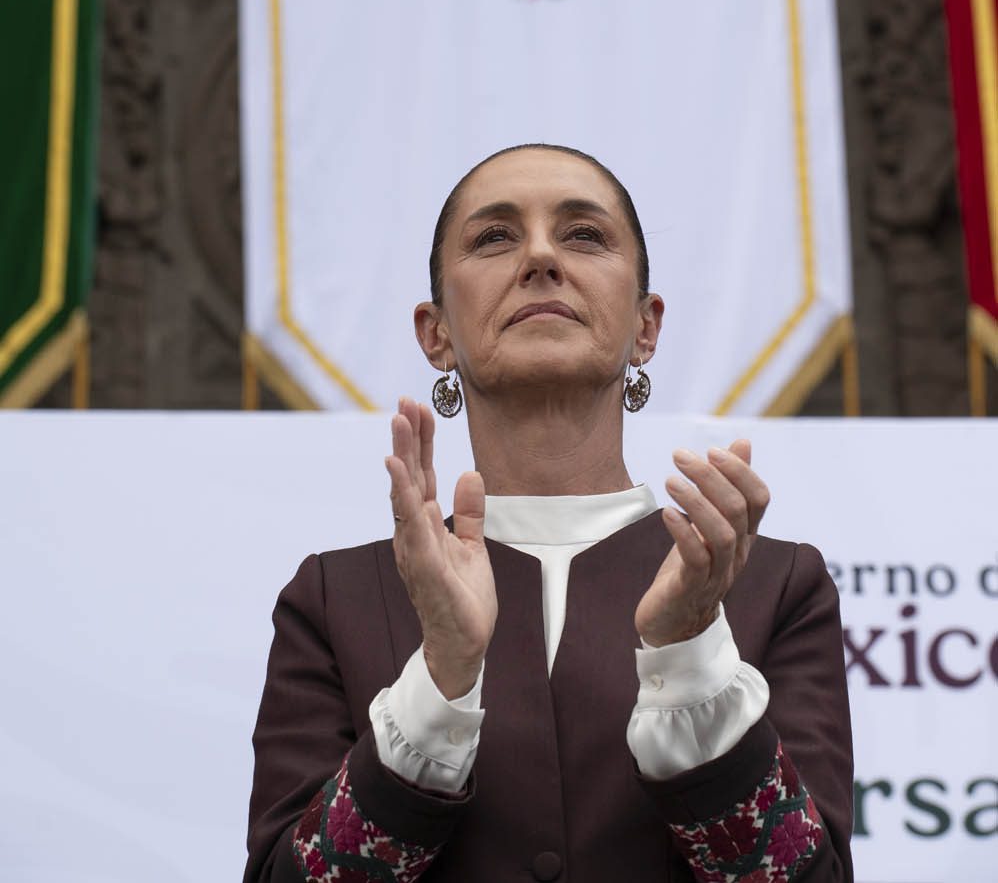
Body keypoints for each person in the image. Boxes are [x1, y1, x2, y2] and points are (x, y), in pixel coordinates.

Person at [244, 144, 853, 883]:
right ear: (435, 333)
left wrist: (689, 653)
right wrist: (440, 675)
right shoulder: (333, 598)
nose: (539, 257)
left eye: (584, 235)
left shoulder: (775, 583)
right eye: (495, 237)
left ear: (645, 326)